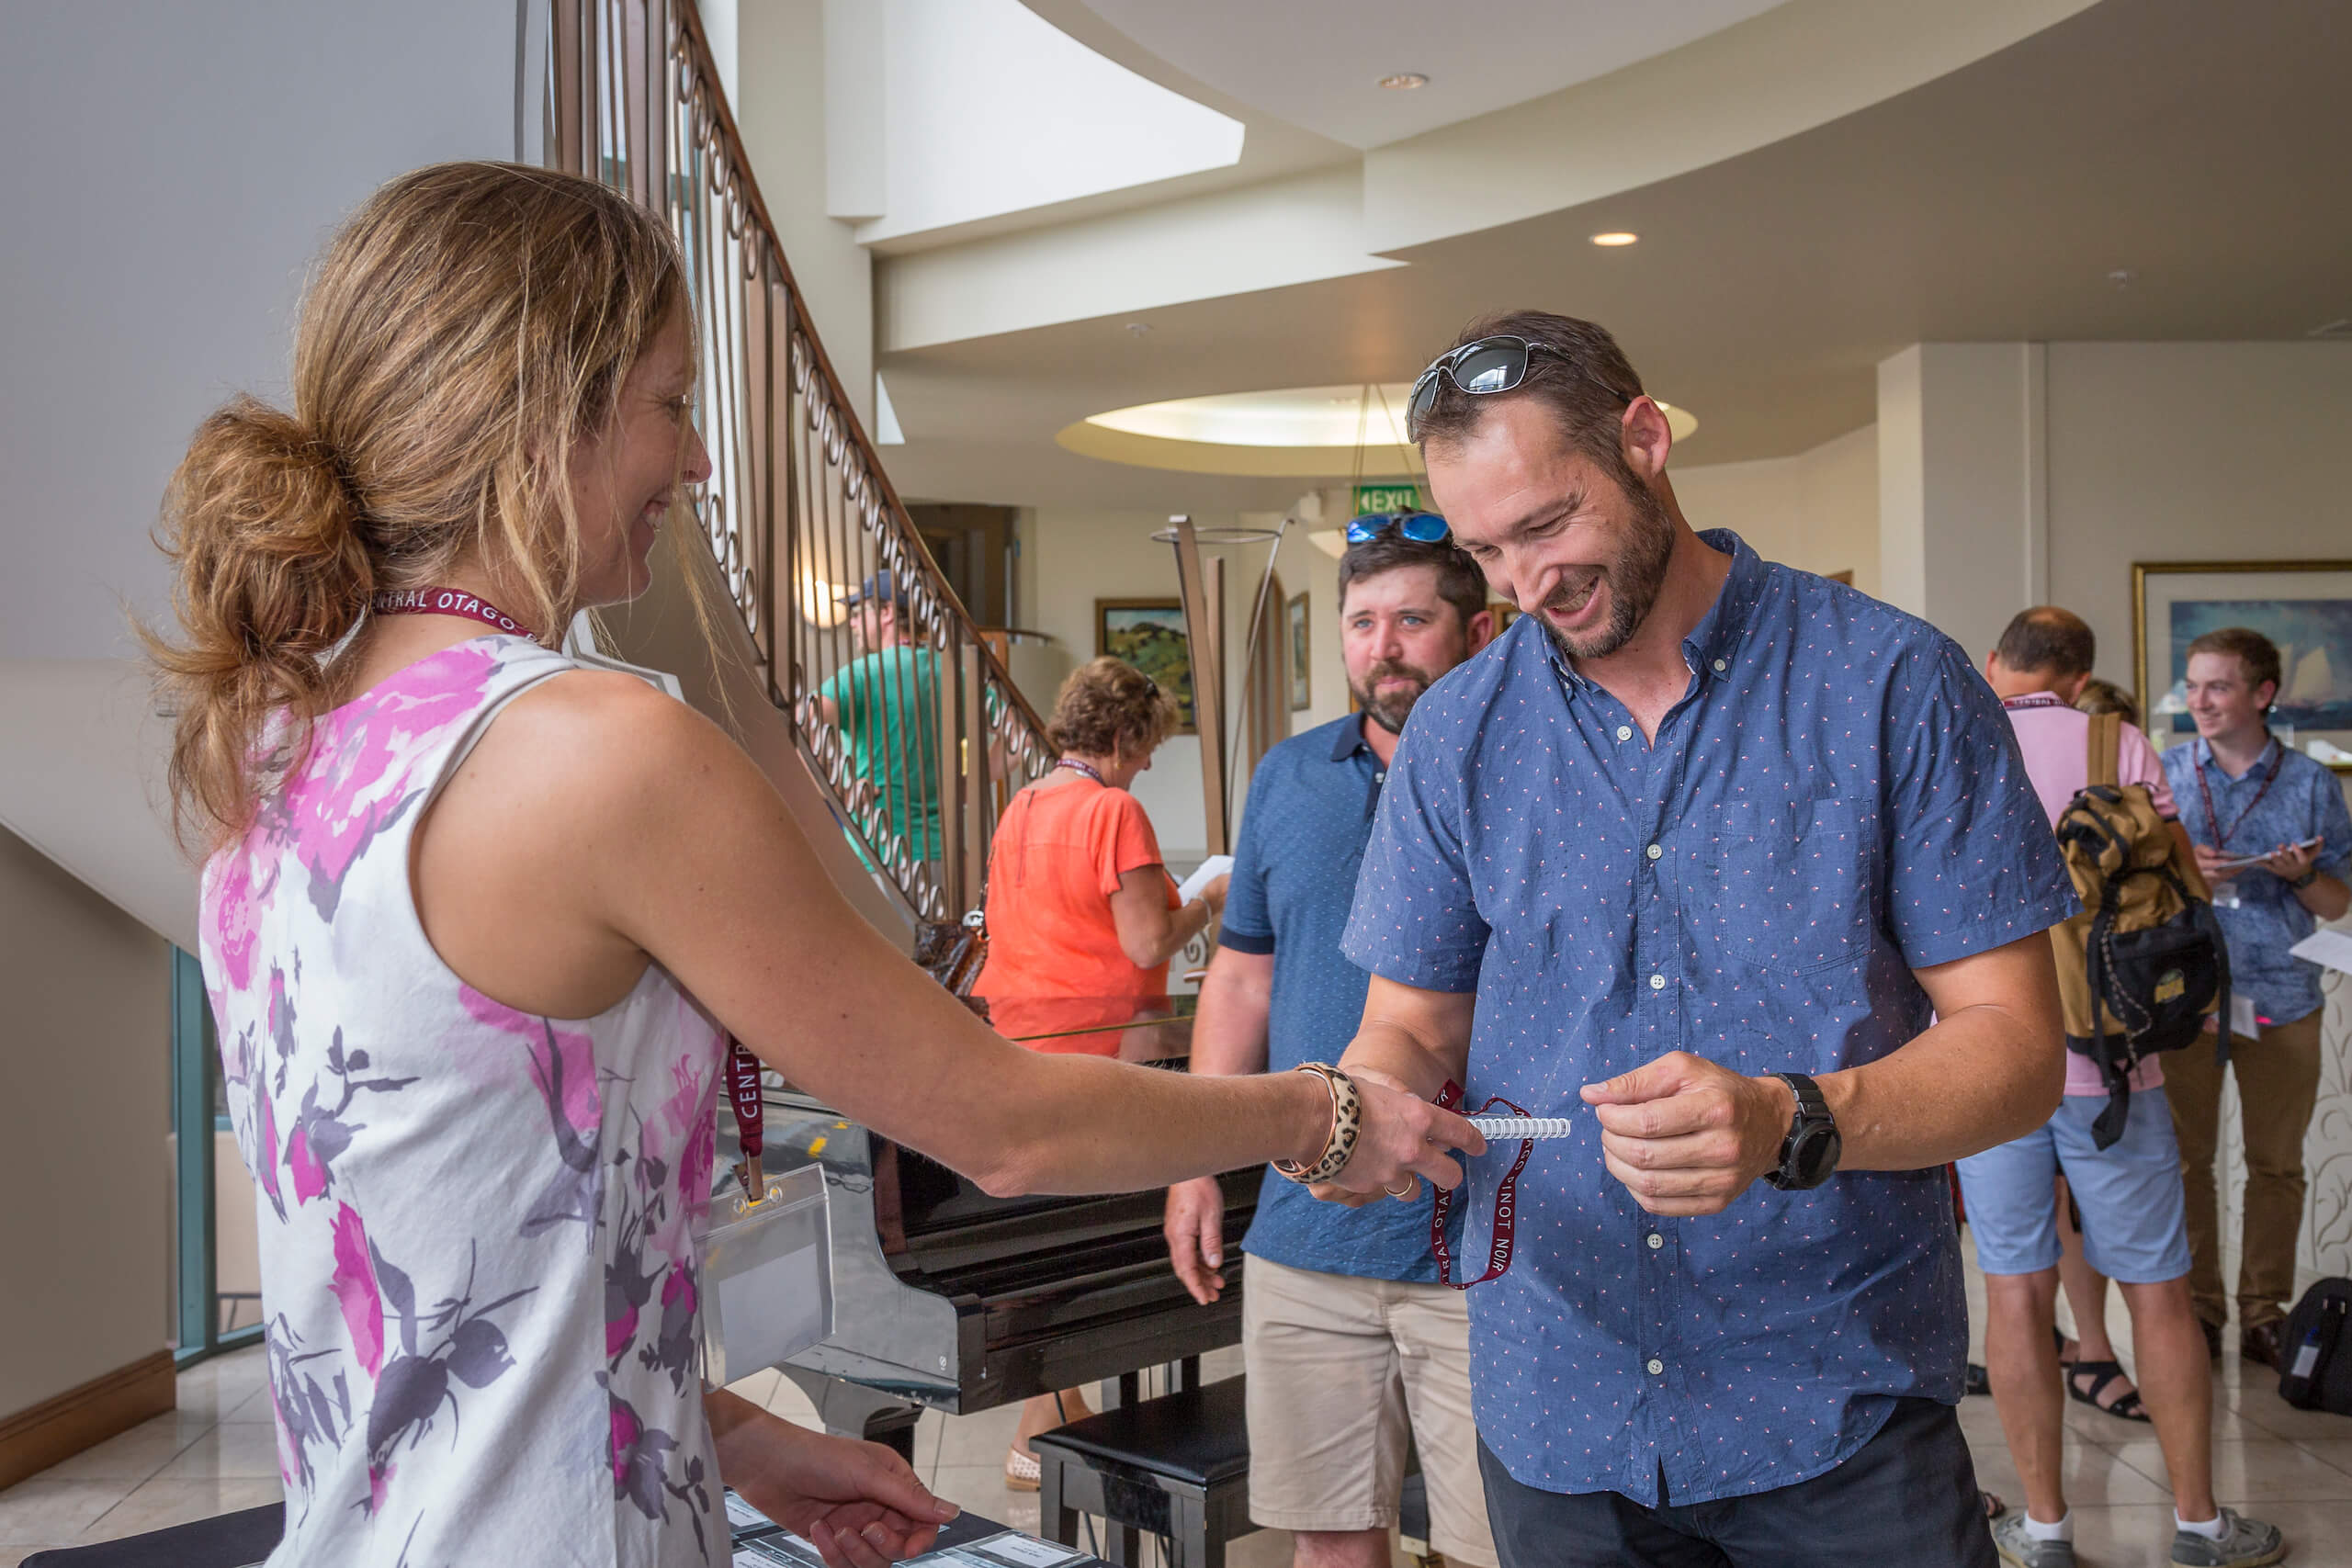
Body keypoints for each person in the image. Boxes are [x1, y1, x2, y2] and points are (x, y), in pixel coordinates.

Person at [147, 162, 1477, 1568]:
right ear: (549, 412)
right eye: (671, 405)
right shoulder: (601, 748)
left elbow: (441, 1274)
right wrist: (1320, 1112)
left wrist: (739, 1439)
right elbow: (1000, 1123)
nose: (697, 464)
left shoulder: (276, 749)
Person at [1325, 310, 2078, 1568]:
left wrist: (1793, 1116)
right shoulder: (1456, 733)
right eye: (1486, 551)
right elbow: (1408, 1023)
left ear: (1643, 440)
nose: (1523, 586)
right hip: (1557, 1406)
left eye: (1548, 524)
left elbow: (2017, 1047)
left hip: (1835, 1409)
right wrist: (1366, 1101)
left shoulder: (1892, 682)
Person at [1164, 522, 1499, 1568]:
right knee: (1328, 1541)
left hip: (1487, 1239)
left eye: (1412, 619)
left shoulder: (1529, 762)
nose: (1382, 647)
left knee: (1495, 1545)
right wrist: (1194, 1160)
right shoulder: (1289, 776)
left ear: (1478, 631)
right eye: (1361, 623)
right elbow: (1242, 975)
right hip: (1308, 1235)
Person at [1962, 607, 2280, 1568]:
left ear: (1995, 663)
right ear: (2080, 674)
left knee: (2015, 1292)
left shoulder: (1955, 738)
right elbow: (2182, 889)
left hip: (1982, 1066)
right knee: (2157, 1294)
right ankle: (2199, 1524)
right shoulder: (2118, 743)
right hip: (2111, 1063)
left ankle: (2044, 1529)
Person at [971, 654, 1231, 1488]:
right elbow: (1147, 942)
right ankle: (1049, 1429)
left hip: (1020, 1048)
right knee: (1107, 1255)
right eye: (1146, 746)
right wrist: (1211, 897)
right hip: (1103, 1054)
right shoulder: (1114, 809)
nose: (1148, 764)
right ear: (1120, 735)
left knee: (1061, 1250)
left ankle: (1048, 1423)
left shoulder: (1023, 804)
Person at [2160, 626, 2352, 1369]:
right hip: (2188, 997)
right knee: (2187, 1163)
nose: (2200, 700)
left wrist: (2301, 875)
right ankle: (2200, 1310)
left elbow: (2337, 903)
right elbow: (2134, 895)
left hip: (2284, 998)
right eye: (2193, 685)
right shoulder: (2167, 774)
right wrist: (2188, 877)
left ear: (2263, 693)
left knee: (2276, 1165)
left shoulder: (2311, 783)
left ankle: (2265, 1312)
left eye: (2218, 685)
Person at [816, 571, 944, 870]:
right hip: (943, 855)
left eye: (859, 613)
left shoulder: (863, 673)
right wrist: (964, 785)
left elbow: (801, 722)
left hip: (878, 852)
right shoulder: (953, 671)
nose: (853, 623)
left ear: (887, 612)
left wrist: (838, 788)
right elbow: (1020, 742)